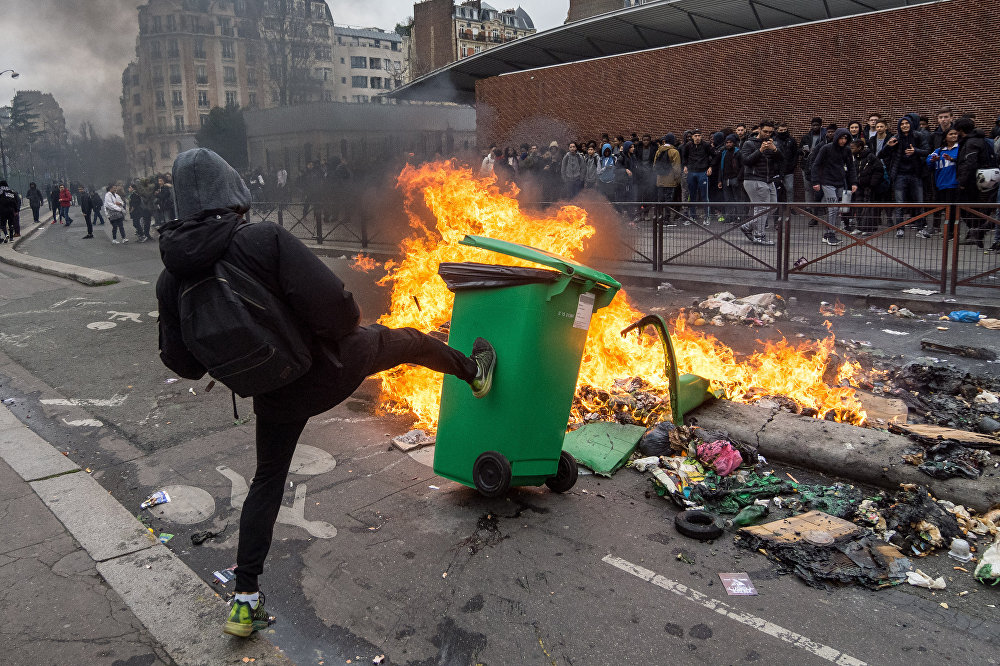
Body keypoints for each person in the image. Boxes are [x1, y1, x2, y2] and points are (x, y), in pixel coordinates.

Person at [154, 148, 497, 638]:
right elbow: (339, 311)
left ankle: (245, 600)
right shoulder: (262, 240)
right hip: (330, 367)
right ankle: (476, 373)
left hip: (273, 394)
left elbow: (182, 364)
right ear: (232, 191)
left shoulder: (172, 279)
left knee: (266, 483)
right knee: (412, 341)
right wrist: (334, 340)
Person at [879, 116, 928, 237]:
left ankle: (921, 228)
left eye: (907, 123)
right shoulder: (895, 138)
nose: (905, 125)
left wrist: (915, 151)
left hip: (916, 174)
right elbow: (880, 154)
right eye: (902, 124)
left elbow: (928, 151)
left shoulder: (918, 136)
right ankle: (899, 229)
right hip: (900, 175)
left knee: (919, 203)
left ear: (911, 124)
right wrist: (888, 146)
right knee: (899, 204)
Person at [809, 128, 858, 245]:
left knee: (837, 210)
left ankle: (828, 234)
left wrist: (854, 182)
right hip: (827, 182)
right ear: (836, 137)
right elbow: (816, 164)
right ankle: (830, 234)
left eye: (846, 138)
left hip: (840, 182)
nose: (843, 141)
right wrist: (815, 181)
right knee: (833, 208)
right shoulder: (826, 148)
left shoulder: (846, 150)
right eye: (841, 138)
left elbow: (851, 167)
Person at [739, 120, 781, 245]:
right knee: (761, 208)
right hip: (754, 179)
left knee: (772, 206)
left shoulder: (772, 144)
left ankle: (747, 226)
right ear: (759, 130)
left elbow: (782, 160)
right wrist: (760, 150)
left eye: (770, 132)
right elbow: (746, 161)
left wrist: (775, 150)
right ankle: (759, 235)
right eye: (765, 131)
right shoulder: (749, 143)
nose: (768, 134)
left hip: (769, 179)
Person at [925, 127, 960, 240]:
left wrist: (953, 159)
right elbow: (929, 162)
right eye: (951, 134)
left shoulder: (959, 148)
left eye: (955, 134)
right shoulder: (939, 150)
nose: (954, 136)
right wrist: (932, 160)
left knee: (952, 210)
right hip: (940, 184)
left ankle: (951, 233)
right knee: (941, 209)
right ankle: (938, 229)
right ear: (945, 137)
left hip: (953, 184)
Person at [681, 130, 712, 225]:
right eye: (695, 136)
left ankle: (707, 217)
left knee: (704, 195)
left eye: (699, 135)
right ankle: (692, 216)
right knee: (692, 195)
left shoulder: (706, 145)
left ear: (701, 136)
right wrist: (685, 166)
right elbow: (684, 157)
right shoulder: (688, 146)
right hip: (691, 172)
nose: (697, 137)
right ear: (692, 137)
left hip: (702, 172)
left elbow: (714, 156)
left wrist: (710, 167)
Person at [653, 134, 682, 223]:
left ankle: (659, 218)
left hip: (660, 179)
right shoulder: (674, 152)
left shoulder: (659, 151)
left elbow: (654, 166)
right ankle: (667, 218)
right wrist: (677, 179)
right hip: (670, 180)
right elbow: (676, 167)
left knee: (660, 200)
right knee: (668, 200)